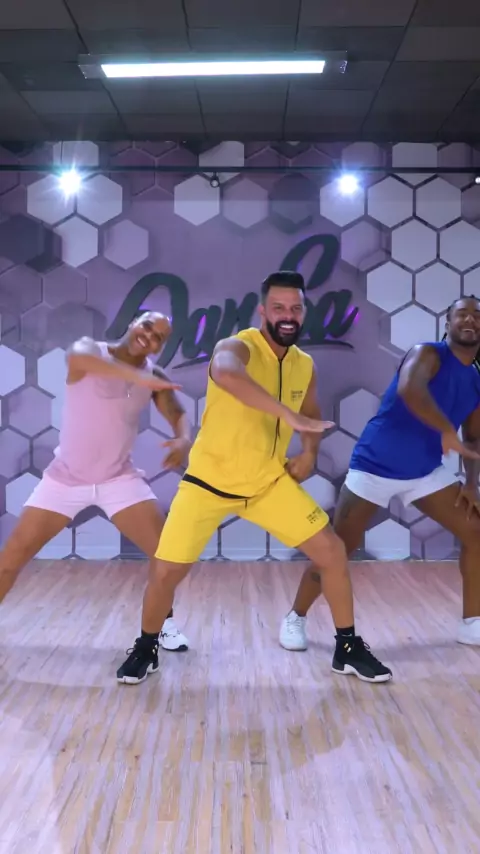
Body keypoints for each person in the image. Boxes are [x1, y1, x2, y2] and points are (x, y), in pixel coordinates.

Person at [117, 271, 392, 685]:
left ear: (303, 313)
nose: (288, 315)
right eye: (278, 308)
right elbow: (228, 374)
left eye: (295, 308)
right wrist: (288, 415)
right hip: (208, 483)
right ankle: (145, 647)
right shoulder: (237, 346)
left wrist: (309, 451)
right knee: (166, 570)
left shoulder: (304, 365)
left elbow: (311, 411)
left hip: (267, 484)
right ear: (263, 311)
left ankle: (347, 648)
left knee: (332, 552)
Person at [280, 295, 480, 651]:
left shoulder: (475, 378)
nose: (470, 320)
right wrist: (445, 429)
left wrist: (472, 484)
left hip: (424, 472)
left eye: (477, 315)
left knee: (475, 533)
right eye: (461, 314)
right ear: (447, 323)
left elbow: (474, 437)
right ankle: (295, 617)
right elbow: (410, 389)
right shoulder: (428, 353)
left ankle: (472, 622)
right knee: (338, 549)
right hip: (375, 465)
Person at [0, 311, 191, 651]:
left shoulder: (153, 375)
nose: (149, 336)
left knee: (166, 556)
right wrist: (141, 379)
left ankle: (163, 624)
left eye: (159, 337)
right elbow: (79, 358)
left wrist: (183, 439)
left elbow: (177, 412)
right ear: (133, 323)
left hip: (119, 479)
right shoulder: (90, 349)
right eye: (147, 326)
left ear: (160, 347)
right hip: (65, 479)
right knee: (11, 559)